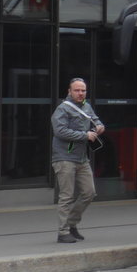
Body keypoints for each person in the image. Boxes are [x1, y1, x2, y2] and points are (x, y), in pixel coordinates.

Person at [50, 78, 104, 243]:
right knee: (66, 196)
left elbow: (95, 119)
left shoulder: (86, 106)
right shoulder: (62, 109)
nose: (81, 93)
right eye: (77, 90)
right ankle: (63, 232)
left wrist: (99, 127)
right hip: (64, 158)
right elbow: (60, 131)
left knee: (89, 193)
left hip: (81, 158)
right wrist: (84, 135)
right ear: (69, 91)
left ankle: (71, 224)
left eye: (83, 90)